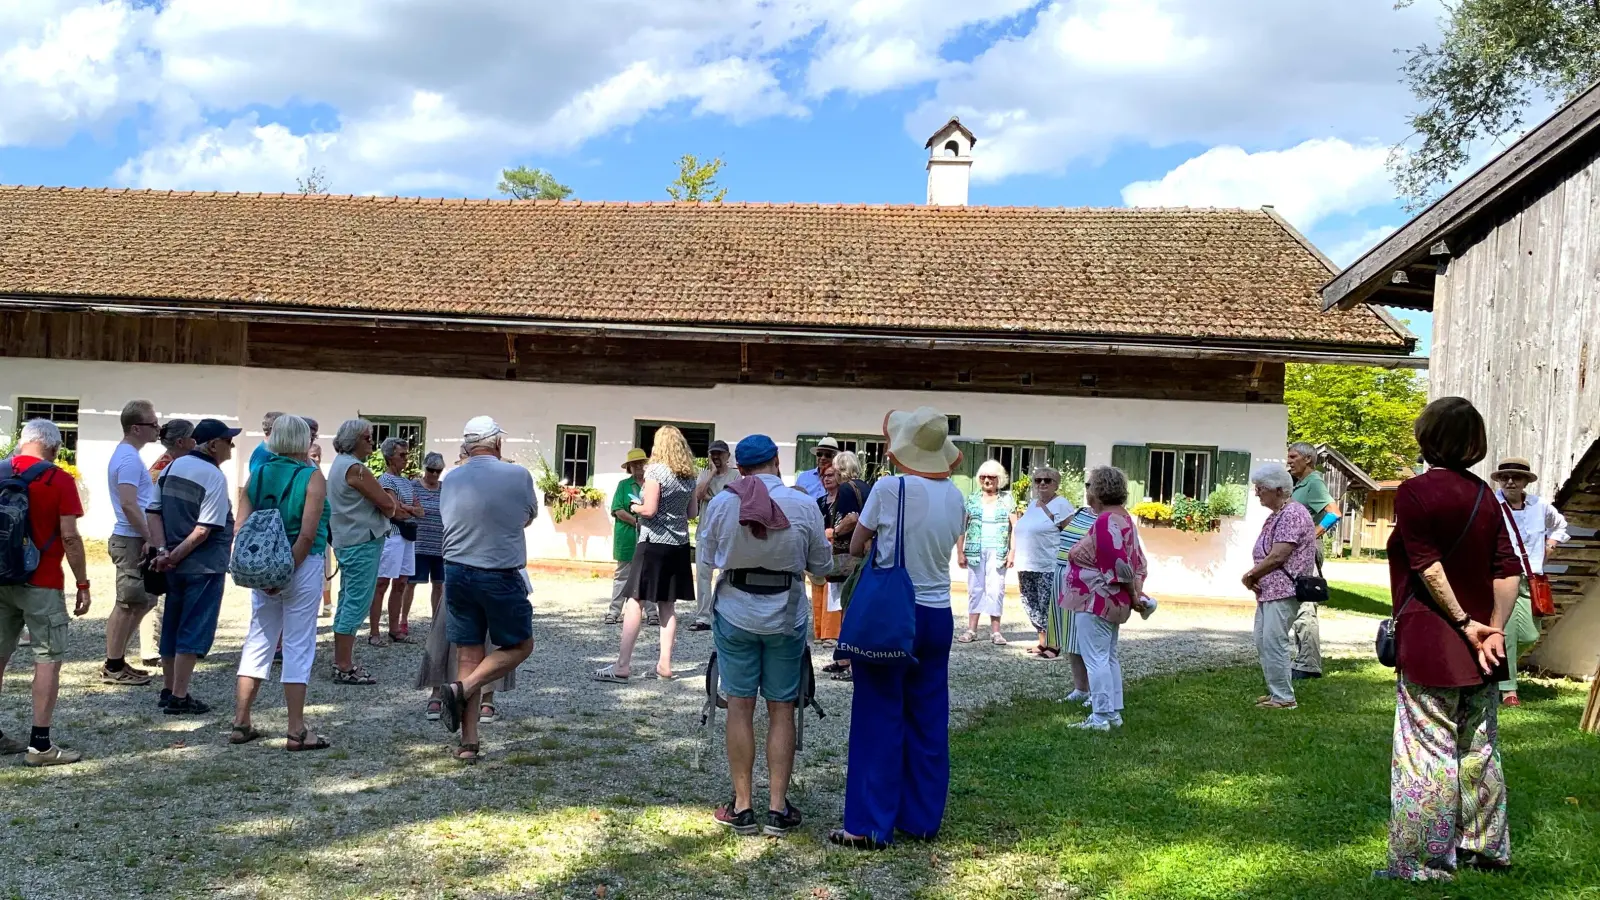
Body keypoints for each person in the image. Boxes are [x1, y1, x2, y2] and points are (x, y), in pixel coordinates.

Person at [1380, 397, 1521, 881]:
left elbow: (1425, 563)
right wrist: (1495, 629)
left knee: (1427, 752)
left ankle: (1423, 862)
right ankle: (1484, 848)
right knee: (1479, 749)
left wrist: (1464, 621)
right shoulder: (1486, 496)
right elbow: (1507, 570)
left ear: (1427, 436)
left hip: (1434, 641)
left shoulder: (1415, 492)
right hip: (1484, 648)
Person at [831, 407, 965, 850]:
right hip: (938, 611)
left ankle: (869, 824)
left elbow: (856, 544)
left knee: (878, 713)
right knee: (928, 716)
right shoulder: (956, 496)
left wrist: (864, 534)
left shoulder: (890, 488)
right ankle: (922, 817)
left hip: (894, 611)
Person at [701, 434, 832, 838]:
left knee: (739, 706)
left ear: (739, 468)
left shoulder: (724, 503)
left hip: (736, 611)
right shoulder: (803, 504)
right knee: (781, 708)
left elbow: (706, 560)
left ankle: (742, 806)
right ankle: (777, 807)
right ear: (776, 461)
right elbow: (821, 567)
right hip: (786, 615)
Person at [435, 416, 538, 763]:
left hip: (456, 571)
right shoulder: (517, 475)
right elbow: (527, 516)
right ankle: (460, 689)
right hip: (498, 571)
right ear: (496, 443)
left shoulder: (451, 478)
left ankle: (468, 742)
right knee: (521, 644)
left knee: (468, 653)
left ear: (467, 445)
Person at [229, 415, 332, 751]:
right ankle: (296, 729)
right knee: (298, 645)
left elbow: (241, 527)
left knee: (258, 638)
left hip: (262, 567)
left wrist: (264, 571)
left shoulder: (257, 474)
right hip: (301, 565)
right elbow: (307, 533)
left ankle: (241, 720)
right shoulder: (311, 477)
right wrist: (285, 571)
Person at [0, 419, 92, 766]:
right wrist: (82, 583)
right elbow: (69, 536)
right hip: (42, 580)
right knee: (46, 658)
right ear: (54, 448)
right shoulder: (58, 478)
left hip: (0, 578)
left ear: (22, 442)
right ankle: (40, 745)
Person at [149, 417, 241, 716]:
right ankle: (180, 695)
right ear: (213, 445)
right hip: (202, 565)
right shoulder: (213, 475)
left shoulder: (172, 466)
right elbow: (204, 529)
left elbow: (154, 511)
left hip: (173, 565)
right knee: (193, 627)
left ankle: (167, 689)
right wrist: (174, 556)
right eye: (228, 441)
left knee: (171, 626)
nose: (232, 446)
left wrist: (163, 552)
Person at [593, 425, 700, 683]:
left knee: (634, 601)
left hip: (652, 543)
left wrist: (635, 506)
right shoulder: (689, 476)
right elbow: (692, 512)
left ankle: (622, 665)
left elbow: (650, 510)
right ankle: (664, 665)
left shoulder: (656, 471)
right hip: (678, 545)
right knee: (667, 606)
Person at [1061, 466, 1149, 732]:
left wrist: (1134, 595)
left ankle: (1100, 717)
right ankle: (1113, 712)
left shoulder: (1104, 520)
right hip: (1111, 599)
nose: (1087, 491)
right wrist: (1134, 594)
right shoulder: (1124, 518)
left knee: (1096, 658)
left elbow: (1120, 564)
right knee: (1108, 657)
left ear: (1097, 492)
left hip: (1097, 599)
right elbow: (1137, 561)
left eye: (1089, 486)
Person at [327, 419, 408, 686]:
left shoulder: (339, 465)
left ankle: (341, 659)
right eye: (368, 437)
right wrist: (390, 502)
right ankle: (344, 664)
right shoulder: (355, 469)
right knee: (357, 602)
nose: (372, 442)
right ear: (355, 440)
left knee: (347, 598)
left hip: (349, 539)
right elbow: (388, 505)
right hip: (362, 540)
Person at [1491, 456, 1569, 706]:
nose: (1510, 482)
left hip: (1531, 578)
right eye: (1505, 477)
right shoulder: (1492, 505)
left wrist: (1552, 543)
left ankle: (1496, 671)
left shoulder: (1540, 506)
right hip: (1502, 576)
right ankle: (1508, 690)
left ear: (1526, 481)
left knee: (1529, 635)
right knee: (1509, 633)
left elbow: (1560, 526)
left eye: (1516, 477)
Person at [1241, 462, 1316, 710]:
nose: (1257, 493)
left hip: (1283, 590)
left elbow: (1278, 555)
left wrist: (1251, 575)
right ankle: (1277, 692)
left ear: (1278, 489)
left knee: (1274, 641)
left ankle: (1284, 698)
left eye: (1261, 488)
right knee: (1263, 639)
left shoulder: (1293, 514)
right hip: (1271, 590)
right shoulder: (1278, 515)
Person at [102, 399, 162, 687]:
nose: (158, 429)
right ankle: (113, 666)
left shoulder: (129, 455)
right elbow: (128, 503)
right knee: (128, 603)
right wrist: (149, 537)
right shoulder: (127, 459)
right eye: (153, 424)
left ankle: (117, 660)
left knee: (143, 599)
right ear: (136, 428)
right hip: (130, 538)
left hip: (134, 536)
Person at [1286, 442, 1339, 680]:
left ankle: (1308, 665)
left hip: (1307, 551)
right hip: (1298, 550)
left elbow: (1334, 513)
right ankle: (1303, 659)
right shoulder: (1300, 484)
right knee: (1298, 603)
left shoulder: (1314, 482)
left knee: (1306, 604)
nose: (1289, 461)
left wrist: (1311, 535)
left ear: (1308, 459)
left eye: (1293, 456)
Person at [1013, 466, 1074, 659]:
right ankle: (1042, 641)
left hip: (1048, 564)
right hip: (1026, 563)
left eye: (1047, 480)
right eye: (1038, 480)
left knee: (1047, 604)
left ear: (1056, 484)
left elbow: (1070, 533)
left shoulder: (1061, 504)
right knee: (1030, 603)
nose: (1041, 484)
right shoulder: (1033, 504)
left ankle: (1054, 644)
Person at [816, 451, 869, 669]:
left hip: (847, 553)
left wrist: (834, 532)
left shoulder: (847, 488)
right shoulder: (866, 486)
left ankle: (846, 658)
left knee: (844, 605)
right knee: (854, 604)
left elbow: (852, 519)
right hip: (863, 554)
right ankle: (849, 655)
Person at [372, 437, 424, 645]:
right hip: (392, 535)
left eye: (406, 454)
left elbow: (419, 511)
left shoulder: (406, 482)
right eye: (401, 455)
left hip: (407, 537)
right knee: (382, 582)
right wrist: (406, 509)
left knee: (402, 582)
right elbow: (394, 511)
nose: (406, 459)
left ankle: (395, 629)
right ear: (389, 457)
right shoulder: (385, 480)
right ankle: (374, 632)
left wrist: (406, 508)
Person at [958, 459, 1014, 645]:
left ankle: (995, 632)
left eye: (991, 476)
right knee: (975, 589)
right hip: (975, 550)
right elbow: (961, 527)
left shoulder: (1007, 499)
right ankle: (971, 629)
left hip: (998, 550)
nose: (987, 480)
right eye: (983, 476)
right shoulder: (971, 499)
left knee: (996, 589)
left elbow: (1015, 527)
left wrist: (1012, 552)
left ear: (1000, 479)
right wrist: (960, 551)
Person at [689, 440, 740, 631]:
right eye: (713, 454)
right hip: (705, 530)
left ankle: (724, 615)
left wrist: (713, 497)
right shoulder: (704, 475)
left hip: (726, 532)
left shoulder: (735, 475)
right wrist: (711, 473)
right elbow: (698, 494)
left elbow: (732, 499)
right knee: (703, 573)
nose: (717, 457)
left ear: (727, 456)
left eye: (720, 454)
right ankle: (703, 616)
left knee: (725, 574)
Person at [1053, 503, 1098, 702]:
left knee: (1088, 638)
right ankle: (1080, 689)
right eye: (1088, 485)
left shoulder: (1109, 518)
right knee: (1071, 635)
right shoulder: (1080, 512)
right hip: (1064, 574)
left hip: (1086, 580)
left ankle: (1097, 692)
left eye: (1093, 485)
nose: (1089, 489)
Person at [604, 449, 653, 626]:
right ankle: (614, 612)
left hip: (649, 537)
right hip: (626, 537)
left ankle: (652, 613)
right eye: (635, 464)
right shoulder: (623, 485)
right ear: (629, 467)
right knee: (622, 576)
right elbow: (617, 509)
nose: (638, 466)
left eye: (641, 463)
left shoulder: (652, 484)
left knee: (648, 574)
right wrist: (637, 522)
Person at [406, 452, 447, 637]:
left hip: (440, 545)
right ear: (425, 469)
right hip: (419, 544)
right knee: (410, 583)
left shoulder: (445, 489)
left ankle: (436, 623)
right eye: (431, 470)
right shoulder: (413, 486)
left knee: (439, 585)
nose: (435, 475)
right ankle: (402, 620)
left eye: (438, 471)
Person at [792, 436, 839, 501]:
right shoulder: (803, 477)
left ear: (835, 458)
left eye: (828, 455)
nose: (823, 458)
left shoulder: (839, 479)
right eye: (819, 454)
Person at [249, 412, 285, 476]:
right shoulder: (263, 454)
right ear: (274, 429)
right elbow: (256, 481)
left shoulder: (271, 451)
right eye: (285, 428)